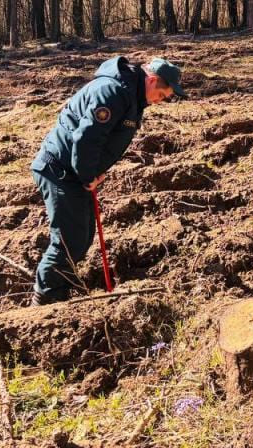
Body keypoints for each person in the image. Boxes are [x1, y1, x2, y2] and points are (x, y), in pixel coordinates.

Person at [29, 56, 185, 305]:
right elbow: (87, 138)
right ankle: (45, 300)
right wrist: (88, 174)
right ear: (153, 80)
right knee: (69, 241)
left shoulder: (132, 95)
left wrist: (92, 171)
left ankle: (62, 289)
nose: (161, 102)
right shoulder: (113, 91)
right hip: (59, 169)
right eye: (163, 95)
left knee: (83, 235)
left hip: (73, 171)